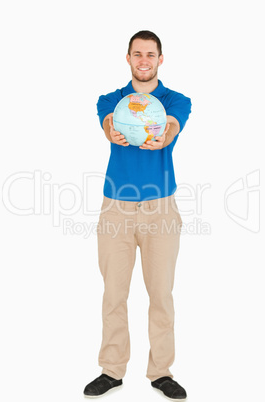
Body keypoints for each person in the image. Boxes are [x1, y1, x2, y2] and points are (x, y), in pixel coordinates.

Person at [83, 30, 191, 400]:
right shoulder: (110, 100)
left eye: (150, 54)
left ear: (161, 59)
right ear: (127, 59)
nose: (143, 60)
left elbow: (173, 124)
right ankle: (112, 371)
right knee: (114, 294)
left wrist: (166, 134)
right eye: (137, 54)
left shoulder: (176, 100)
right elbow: (109, 122)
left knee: (161, 294)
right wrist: (112, 130)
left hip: (161, 208)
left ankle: (161, 372)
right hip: (116, 208)